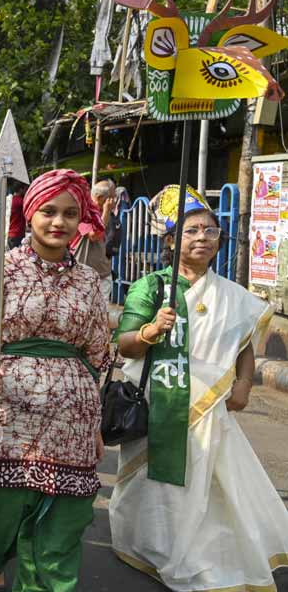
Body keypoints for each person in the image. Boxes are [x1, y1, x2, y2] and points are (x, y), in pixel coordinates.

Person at [110, 185, 288, 591]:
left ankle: (204, 553)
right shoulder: (151, 287)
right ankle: (154, 545)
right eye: (191, 231)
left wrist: (243, 384)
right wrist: (152, 330)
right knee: (158, 487)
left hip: (211, 410)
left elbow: (242, 346)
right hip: (159, 406)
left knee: (211, 484)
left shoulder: (231, 296)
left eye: (210, 230)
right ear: (171, 240)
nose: (203, 238)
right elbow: (124, 343)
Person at [0, 169, 110, 592]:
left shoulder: (90, 282)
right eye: (48, 211)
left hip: (71, 423)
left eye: (70, 213)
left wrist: (94, 424)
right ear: (29, 213)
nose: (59, 222)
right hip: (7, 418)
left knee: (61, 527)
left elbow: (98, 353)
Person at [74, 179, 118, 301]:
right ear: (99, 198)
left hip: (103, 274)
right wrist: (106, 211)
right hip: (82, 275)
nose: (114, 201)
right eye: (112, 197)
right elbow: (94, 235)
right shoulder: (84, 212)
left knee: (101, 312)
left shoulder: (107, 213)